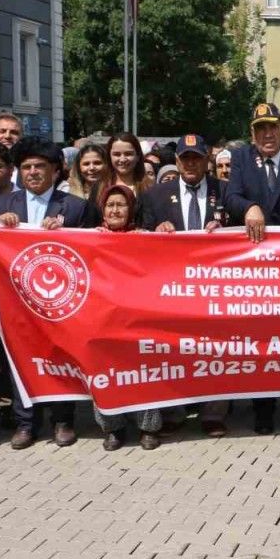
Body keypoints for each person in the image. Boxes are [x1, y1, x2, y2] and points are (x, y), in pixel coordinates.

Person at [0, 137, 97, 449]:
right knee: (21, 359)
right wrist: (0, 224)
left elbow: (92, 251)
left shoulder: (76, 207)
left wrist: (66, 234)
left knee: (61, 358)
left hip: (62, 300)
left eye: (40, 166)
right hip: (18, 300)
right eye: (26, 167)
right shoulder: (5, 204)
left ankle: (63, 420)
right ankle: (26, 423)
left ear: (55, 170)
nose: (33, 172)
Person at [225, 103, 280, 434]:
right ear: (252, 133)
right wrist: (249, 206)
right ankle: (263, 410)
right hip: (255, 269)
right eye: (260, 128)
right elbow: (231, 196)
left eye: (272, 127)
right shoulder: (241, 159)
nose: (267, 134)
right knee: (261, 339)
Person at [140, 135, 229, 436]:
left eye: (197, 158)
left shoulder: (224, 190)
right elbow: (139, 239)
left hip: (215, 287)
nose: (191, 163)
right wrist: (156, 230)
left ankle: (213, 414)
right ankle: (174, 411)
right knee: (173, 350)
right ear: (176, 161)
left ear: (206, 161)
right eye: (185, 158)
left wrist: (227, 229)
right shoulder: (156, 195)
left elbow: (243, 230)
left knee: (216, 351)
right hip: (172, 288)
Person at [93, 184, 163, 450]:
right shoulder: (88, 238)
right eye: (110, 205)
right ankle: (113, 428)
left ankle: (148, 428)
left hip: (138, 318)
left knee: (144, 372)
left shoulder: (145, 238)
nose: (115, 210)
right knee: (104, 373)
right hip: (102, 319)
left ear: (131, 209)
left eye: (120, 205)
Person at [105, 133, 149, 197]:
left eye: (128, 154)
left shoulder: (149, 188)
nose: (122, 159)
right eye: (117, 154)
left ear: (138, 156)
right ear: (109, 157)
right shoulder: (99, 188)